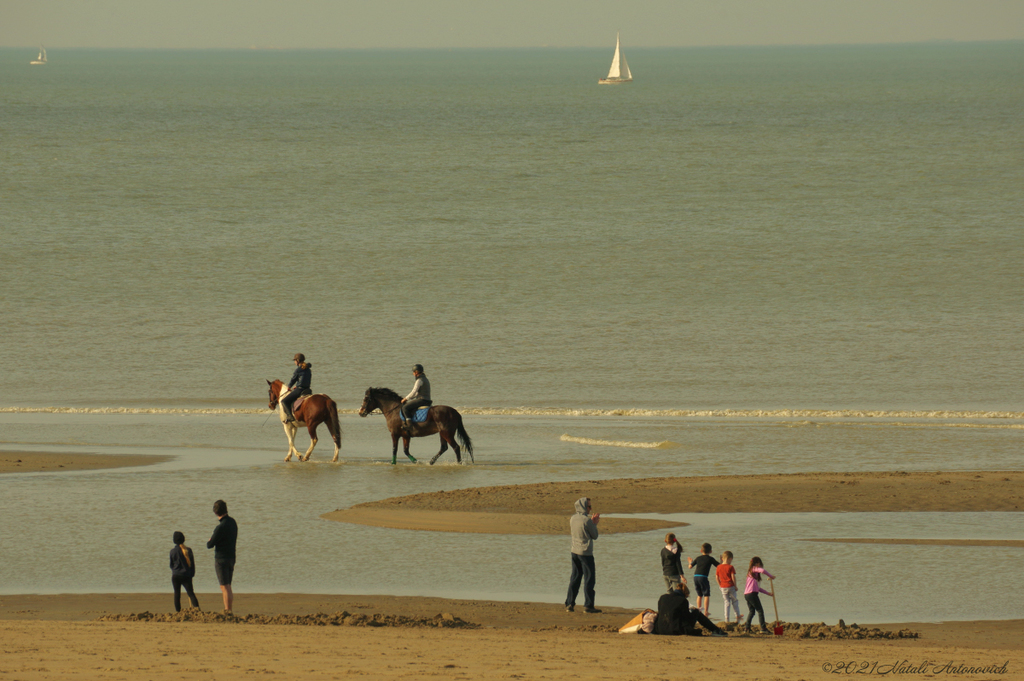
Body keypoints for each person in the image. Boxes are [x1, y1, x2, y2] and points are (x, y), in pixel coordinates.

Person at [564, 497, 601, 613]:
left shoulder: (573, 518)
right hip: (585, 553)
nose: (590, 509)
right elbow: (595, 535)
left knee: (575, 577)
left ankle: (569, 603)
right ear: (584, 507)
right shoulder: (586, 520)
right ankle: (588, 606)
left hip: (574, 551)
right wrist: (594, 523)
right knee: (589, 579)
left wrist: (592, 522)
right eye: (589, 506)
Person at [655, 582, 727, 637]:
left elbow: (661, 613)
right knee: (696, 612)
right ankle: (716, 630)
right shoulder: (682, 601)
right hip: (675, 630)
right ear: (685, 594)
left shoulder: (663, 597)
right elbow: (685, 618)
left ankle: (716, 630)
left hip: (661, 629)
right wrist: (694, 611)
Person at [207, 499, 238, 614]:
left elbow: (209, 545)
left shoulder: (220, 527)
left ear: (215, 512)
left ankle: (227, 610)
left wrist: (210, 540)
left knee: (224, 587)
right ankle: (228, 609)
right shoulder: (233, 522)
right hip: (231, 556)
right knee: (228, 585)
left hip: (221, 558)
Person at [743, 556, 776, 634]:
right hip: (752, 594)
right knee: (760, 611)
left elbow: (758, 588)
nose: (761, 566)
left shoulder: (752, 574)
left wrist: (768, 593)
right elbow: (763, 570)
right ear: (757, 564)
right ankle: (763, 628)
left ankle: (747, 628)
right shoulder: (753, 569)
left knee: (752, 611)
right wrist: (771, 576)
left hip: (747, 595)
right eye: (760, 564)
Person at [169, 531, 200, 612]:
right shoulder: (188, 550)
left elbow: (171, 565)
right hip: (186, 575)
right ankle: (197, 609)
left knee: (177, 594)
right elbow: (192, 565)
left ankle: (178, 611)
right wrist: (191, 575)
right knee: (191, 593)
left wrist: (175, 571)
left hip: (176, 575)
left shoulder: (172, 551)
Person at [687, 542, 720, 617]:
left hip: (695, 577)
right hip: (703, 577)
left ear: (701, 550)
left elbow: (690, 567)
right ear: (710, 551)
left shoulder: (698, 558)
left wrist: (690, 562)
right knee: (706, 595)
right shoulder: (710, 559)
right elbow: (719, 566)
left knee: (699, 595)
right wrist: (721, 561)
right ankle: (706, 611)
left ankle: (699, 610)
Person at [282, 353, 312, 423]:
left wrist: (289, 386)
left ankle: (290, 417)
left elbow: (293, 379)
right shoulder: (308, 369)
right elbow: (306, 379)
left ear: (298, 361)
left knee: (284, 401)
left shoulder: (298, 370)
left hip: (300, 389)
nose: (294, 362)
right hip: (307, 389)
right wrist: (298, 384)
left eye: (295, 360)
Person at [400, 364, 432, 428]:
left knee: (405, 408)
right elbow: (416, 393)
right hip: (427, 400)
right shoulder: (425, 379)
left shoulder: (419, 380)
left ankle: (409, 424)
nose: (413, 373)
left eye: (413, 372)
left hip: (422, 400)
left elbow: (413, 392)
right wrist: (411, 397)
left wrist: (405, 399)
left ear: (416, 372)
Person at [716, 550, 742, 625]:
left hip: (723, 587)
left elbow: (717, 577)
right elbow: (733, 577)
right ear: (730, 559)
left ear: (722, 558)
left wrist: (720, 585)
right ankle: (737, 615)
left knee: (726, 602)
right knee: (734, 601)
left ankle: (726, 617)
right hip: (730, 586)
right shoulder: (730, 567)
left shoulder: (718, 567)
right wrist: (735, 585)